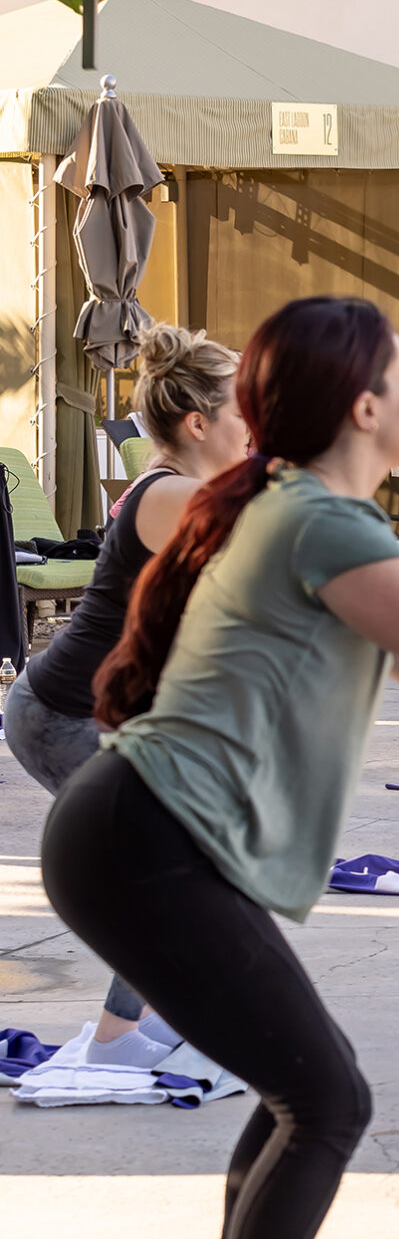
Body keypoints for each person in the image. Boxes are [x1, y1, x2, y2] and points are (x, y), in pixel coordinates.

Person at [39, 297, 399, 1238]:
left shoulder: (310, 513)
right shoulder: (317, 521)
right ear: (365, 407)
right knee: (327, 1102)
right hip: (147, 838)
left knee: (300, 1092)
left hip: (143, 831)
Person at [7, 323, 250, 1067]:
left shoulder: (186, 489)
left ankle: (149, 1020)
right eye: (245, 410)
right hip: (63, 714)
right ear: (199, 423)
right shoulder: (174, 494)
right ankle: (119, 1039)